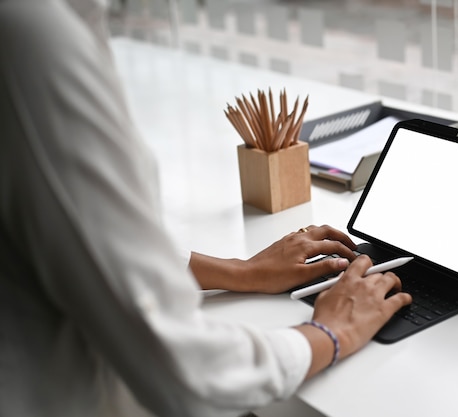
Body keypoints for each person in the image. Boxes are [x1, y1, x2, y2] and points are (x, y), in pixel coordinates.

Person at [0, 1, 412, 417]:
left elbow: (79, 240)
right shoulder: (30, 37)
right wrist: (331, 333)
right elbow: (180, 368)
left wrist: (240, 271)